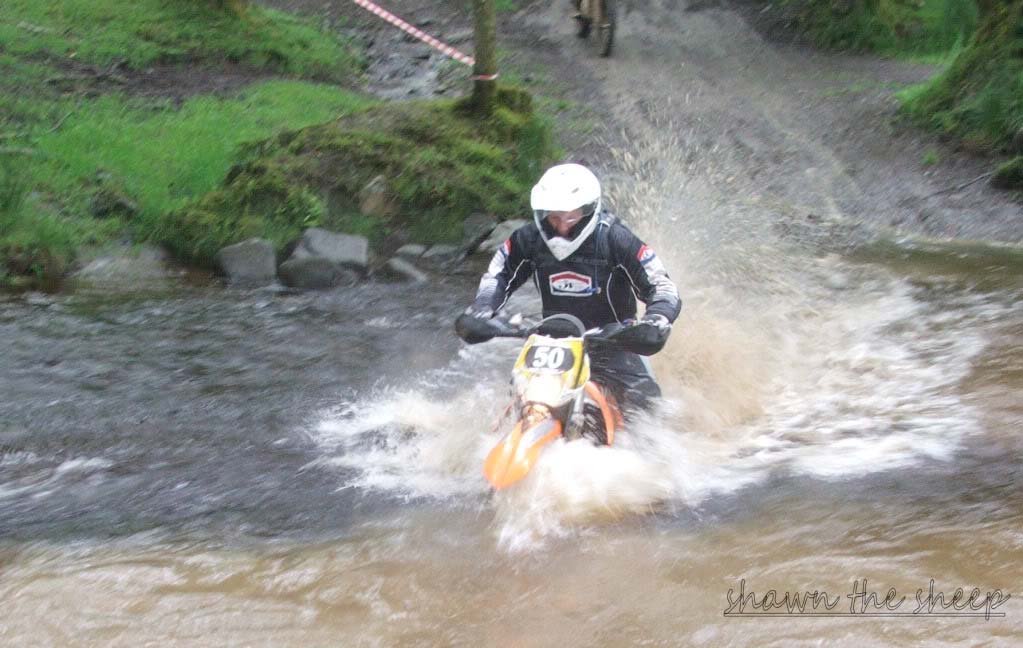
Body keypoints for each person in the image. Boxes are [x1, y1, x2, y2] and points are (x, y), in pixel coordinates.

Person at [456, 163, 681, 412]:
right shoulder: (527, 239)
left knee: (647, 408)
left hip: (613, 340)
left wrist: (656, 321)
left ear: (588, 211)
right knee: (520, 400)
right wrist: (481, 310)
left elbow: (662, 285)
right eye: (554, 218)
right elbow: (497, 276)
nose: (562, 227)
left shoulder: (616, 239)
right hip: (551, 342)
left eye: (571, 218)